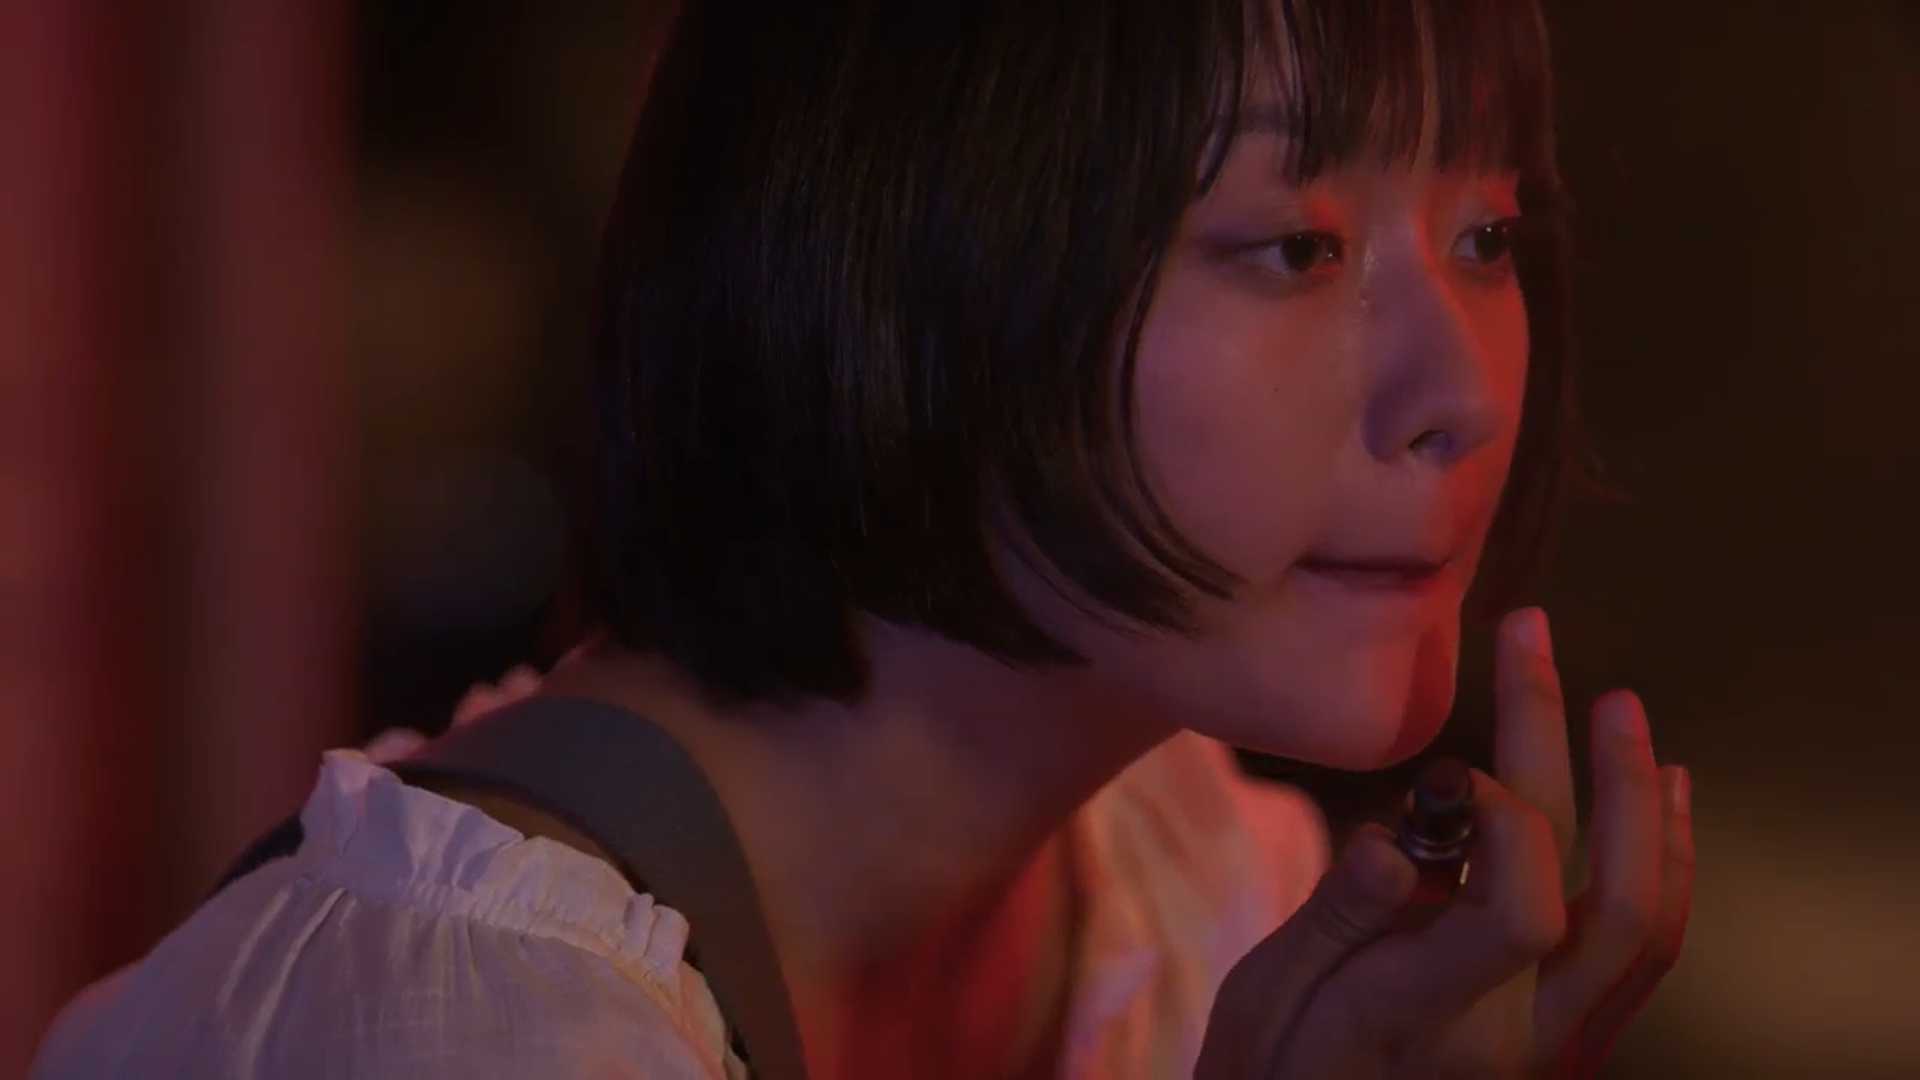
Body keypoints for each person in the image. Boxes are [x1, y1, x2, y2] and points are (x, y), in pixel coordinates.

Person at [31, 0, 1695, 1076]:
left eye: (1487, 233)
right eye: (1297, 248)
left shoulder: (1182, 883)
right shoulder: (463, 1026)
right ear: (902, 253)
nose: (1458, 393)